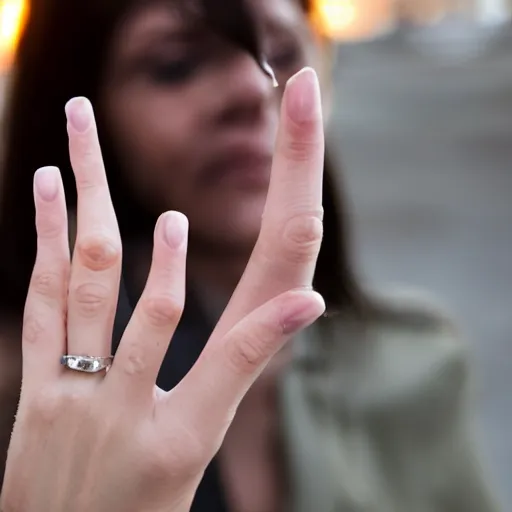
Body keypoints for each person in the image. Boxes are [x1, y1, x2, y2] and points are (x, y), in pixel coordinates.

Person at [0, 0, 501, 511]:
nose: (252, 87)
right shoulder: (23, 401)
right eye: (177, 65)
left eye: (282, 52)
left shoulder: (417, 367)